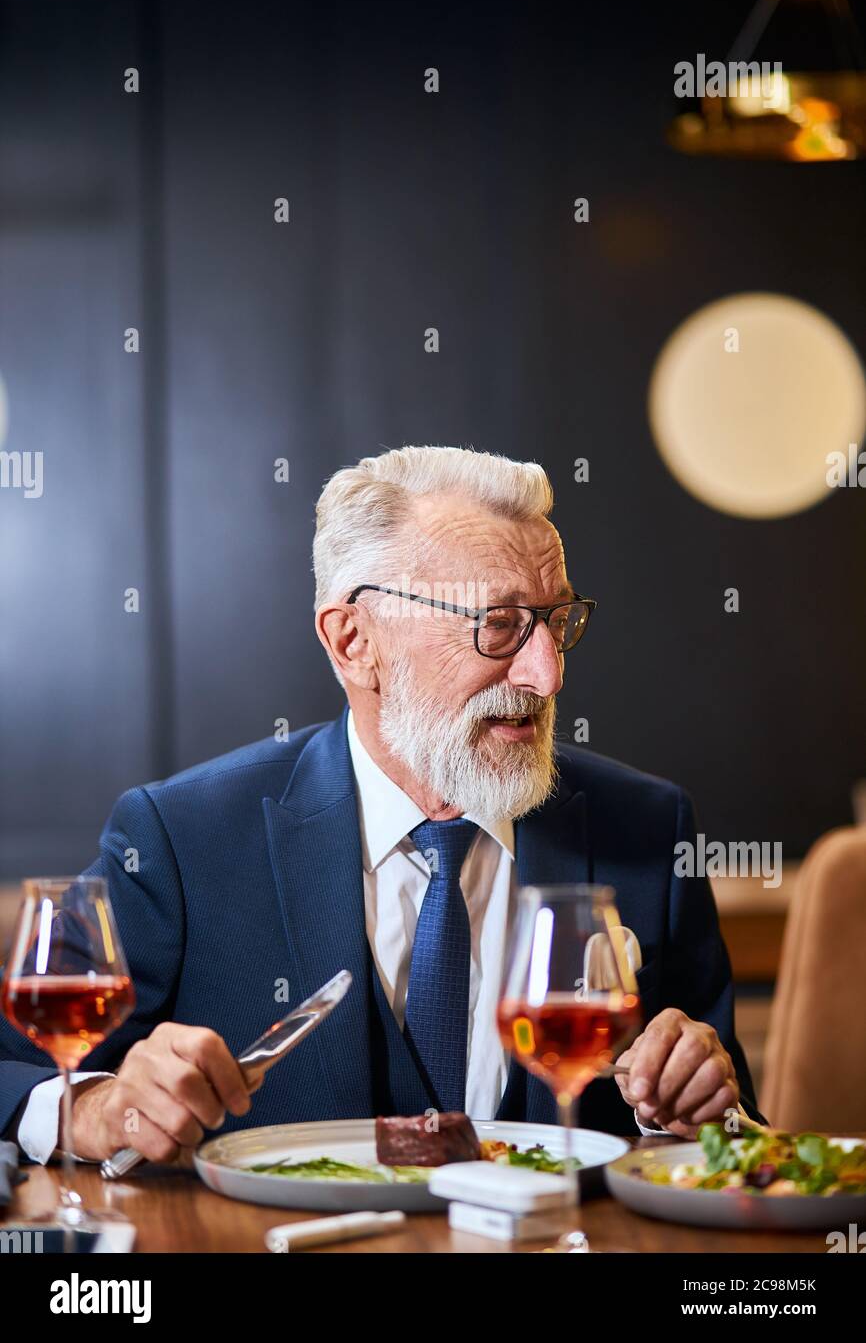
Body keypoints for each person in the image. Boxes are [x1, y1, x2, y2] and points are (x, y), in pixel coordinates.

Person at [0, 444, 762, 1167]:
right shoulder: (181, 838)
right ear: (354, 640)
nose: (546, 674)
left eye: (557, 621)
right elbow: (13, 1070)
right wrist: (94, 1112)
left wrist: (700, 1109)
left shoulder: (648, 830)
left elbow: (733, 1132)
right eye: (499, 626)